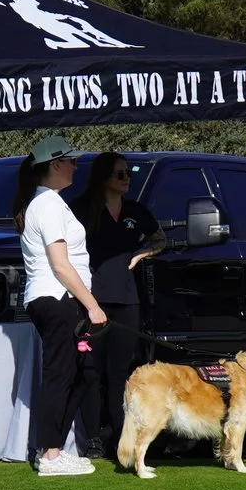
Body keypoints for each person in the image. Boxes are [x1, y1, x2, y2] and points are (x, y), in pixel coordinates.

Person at [16, 136, 106, 476]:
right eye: (70, 160)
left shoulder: (51, 202)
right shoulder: (48, 205)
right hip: (57, 299)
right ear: (55, 165)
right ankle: (51, 455)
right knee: (60, 374)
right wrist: (92, 305)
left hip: (60, 300)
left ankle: (54, 450)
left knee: (82, 373)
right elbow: (61, 264)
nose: (76, 165)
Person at [78, 151, 166, 457]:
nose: (126, 179)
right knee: (91, 372)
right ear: (103, 178)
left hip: (127, 301)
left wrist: (140, 255)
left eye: (129, 174)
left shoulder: (136, 211)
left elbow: (160, 240)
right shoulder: (81, 209)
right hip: (90, 301)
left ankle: (119, 434)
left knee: (119, 372)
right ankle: (92, 438)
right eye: (120, 174)